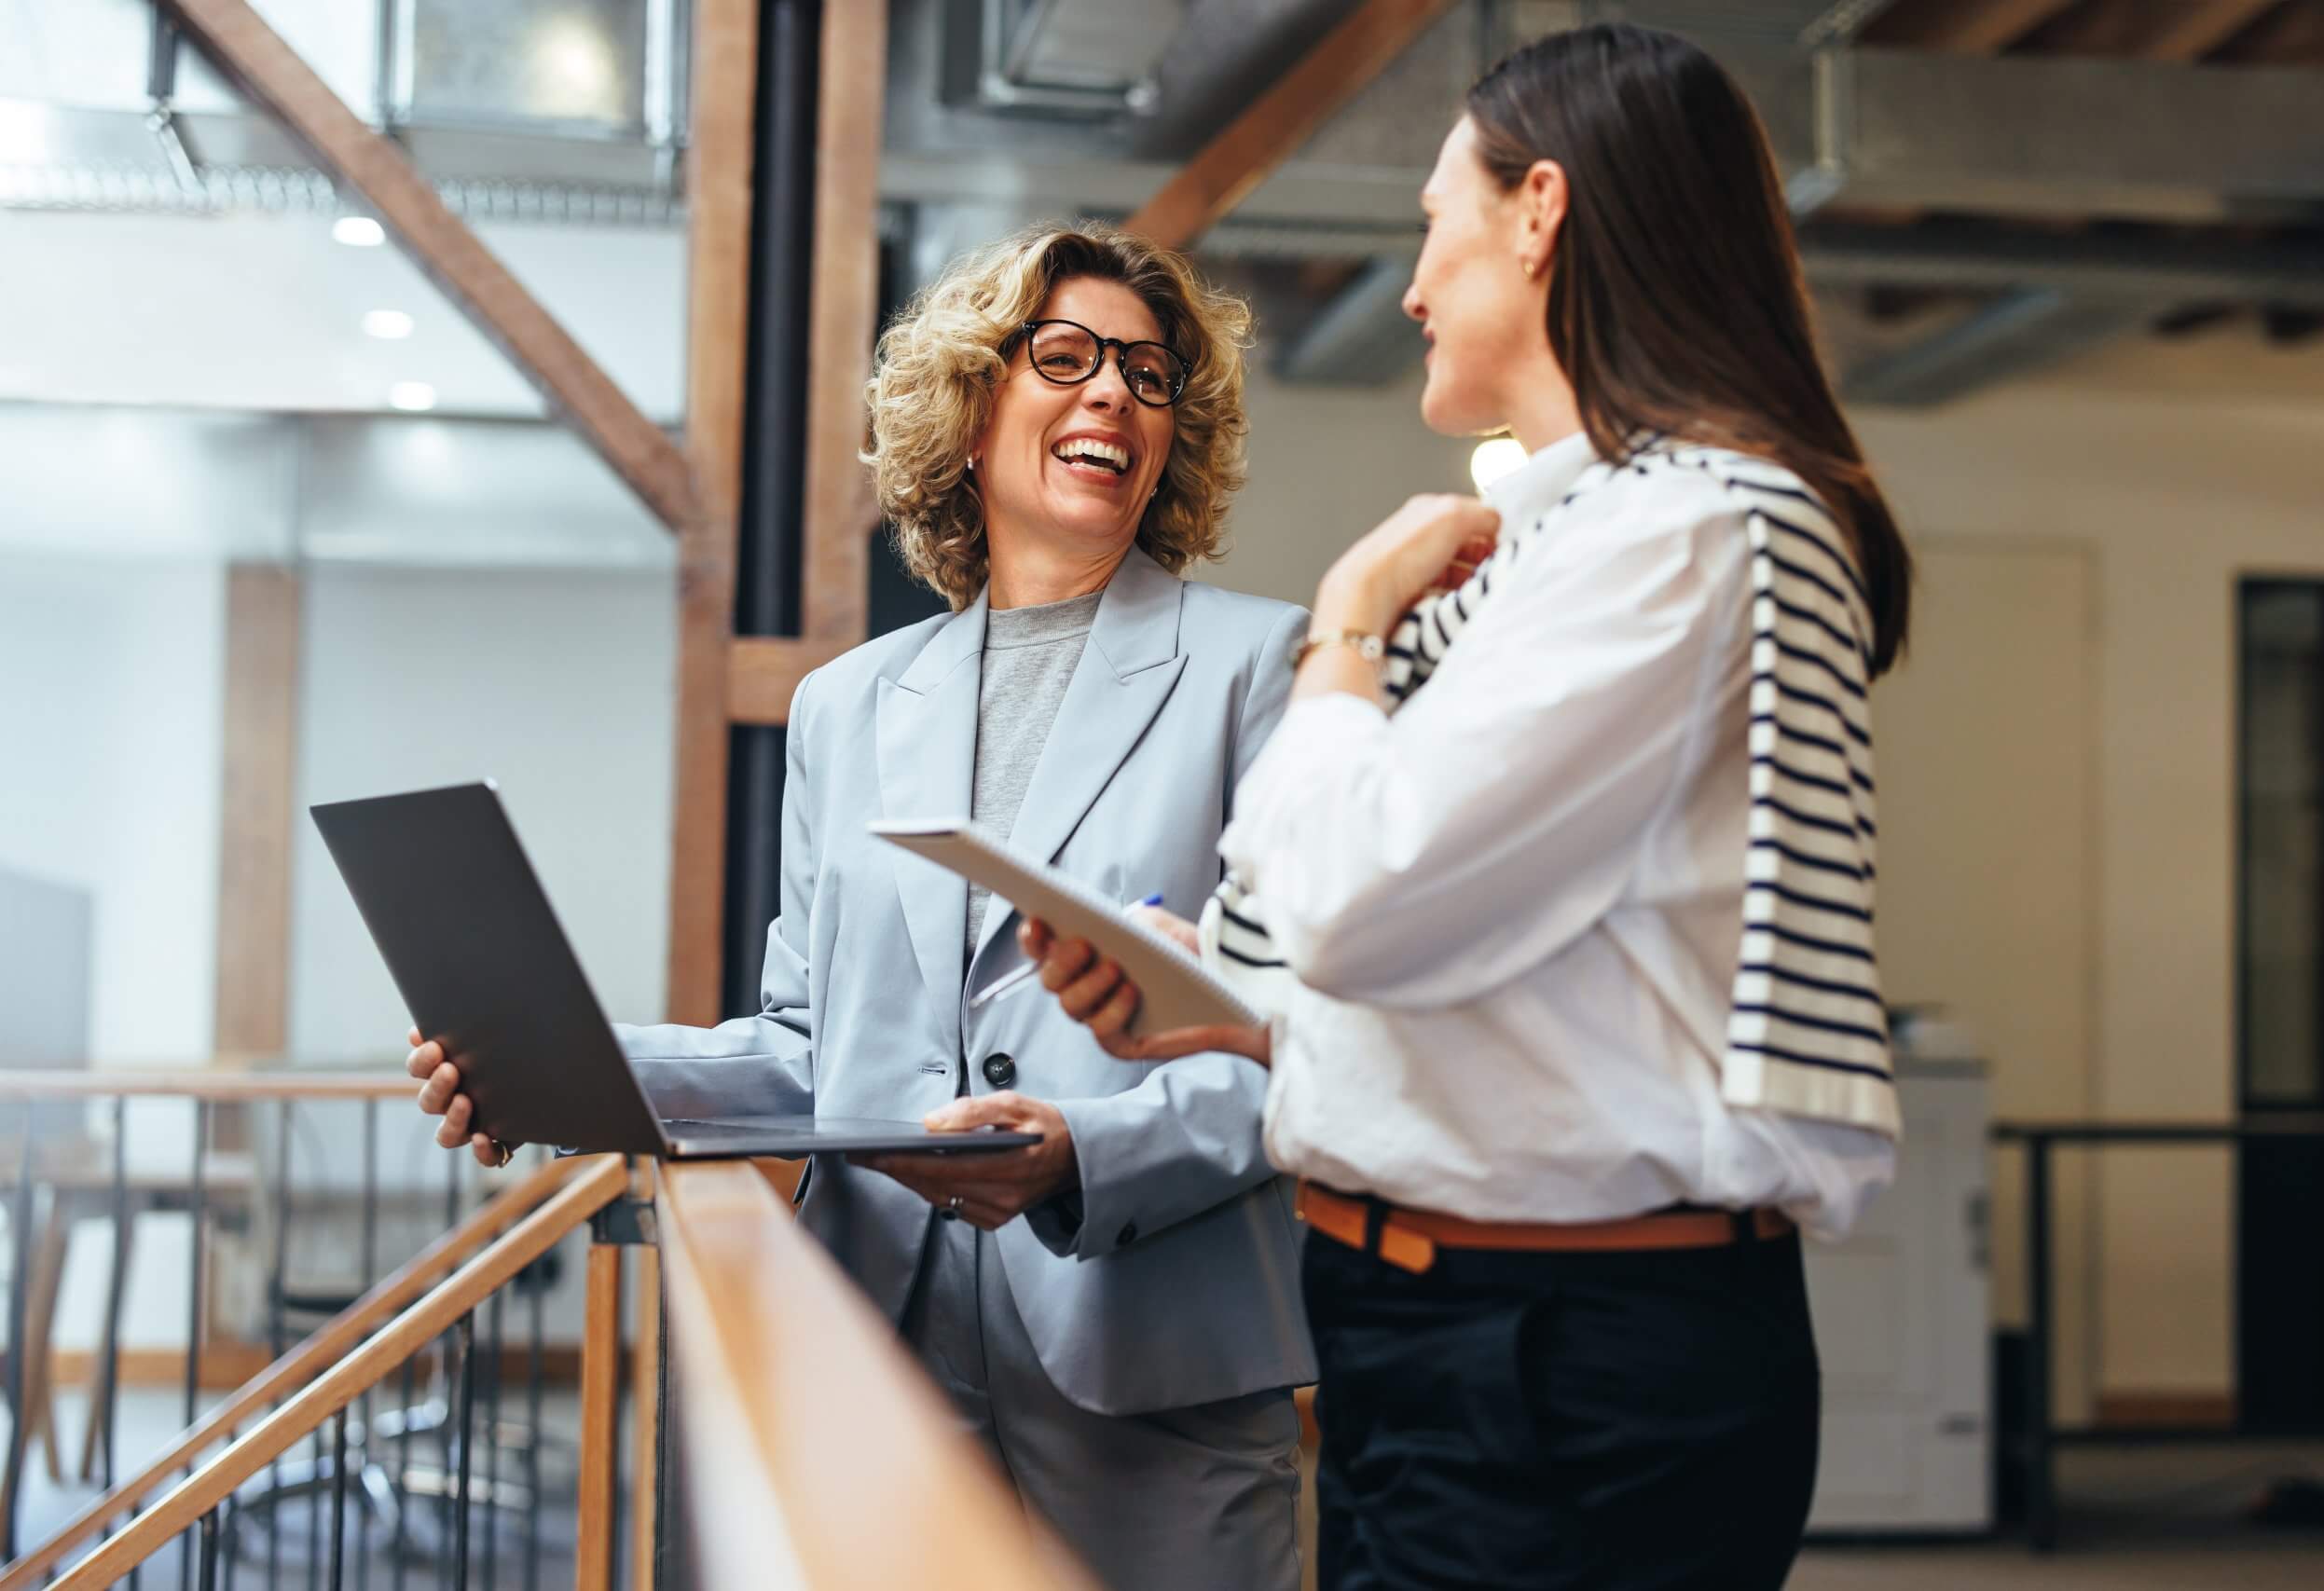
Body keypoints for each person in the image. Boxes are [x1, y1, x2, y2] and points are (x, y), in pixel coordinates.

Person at [1025, 23, 1914, 1591]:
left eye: (1438, 223)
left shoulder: (1692, 531)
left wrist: (1347, 623)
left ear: (1540, 212)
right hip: (1452, 1335)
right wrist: (1229, 1005)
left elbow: (1357, 899)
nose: (1418, 283)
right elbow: (1514, 978)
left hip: (1560, 1361)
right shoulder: (1596, 537)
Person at [406, 224, 1312, 1591]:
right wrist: (565, 1070)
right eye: (1063, 356)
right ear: (970, 407)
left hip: (1153, 1372)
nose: (1114, 393)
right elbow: (803, 1043)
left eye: (1147, 373)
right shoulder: (848, 704)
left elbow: (1297, 1044)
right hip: (884, 1343)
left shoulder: (1265, 665)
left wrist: (1082, 1151)